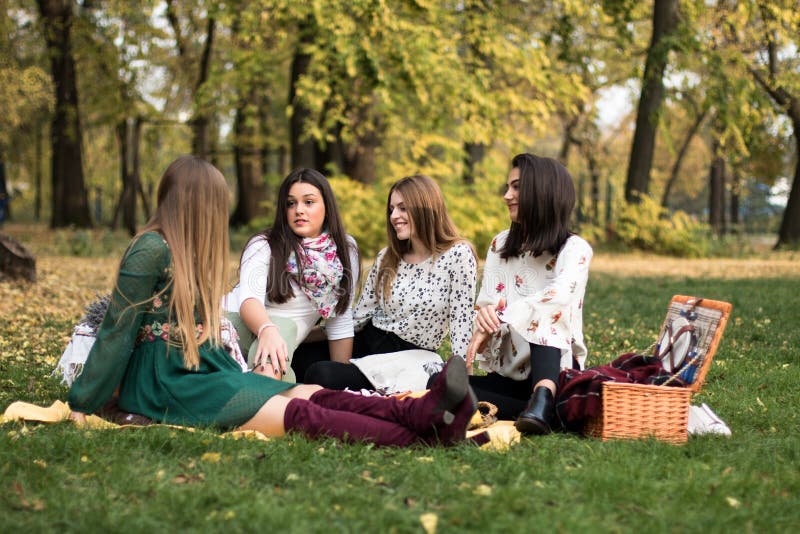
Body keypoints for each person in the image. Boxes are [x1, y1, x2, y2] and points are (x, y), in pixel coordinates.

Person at [68, 155, 477, 447]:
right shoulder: (151, 250)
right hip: (168, 384)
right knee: (305, 415)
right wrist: (83, 401)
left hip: (202, 369)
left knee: (313, 394)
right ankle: (432, 432)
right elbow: (116, 331)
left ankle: (423, 413)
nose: (221, 212)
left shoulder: (179, 250)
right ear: (193, 203)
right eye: (216, 202)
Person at [304, 174, 477, 391]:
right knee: (302, 357)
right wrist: (303, 335)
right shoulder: (387, 257)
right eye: (392, 209)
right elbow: (358, 319)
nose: (394, 216)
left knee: (321, 374)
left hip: (410, 357)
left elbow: (461, 325)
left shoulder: (458, 255)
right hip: (369, 341)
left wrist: (465, 384)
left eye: (403, 208)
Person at [465, 153, 592, 435]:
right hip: (511, 375)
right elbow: (486, 312)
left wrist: (502, 313)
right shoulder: (500, 244)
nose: (506, 195)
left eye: (517, 187)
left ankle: (544, 398)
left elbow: (558, 296)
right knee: (437, 385)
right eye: (508, 187)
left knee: (545, 311)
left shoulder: (575, 249)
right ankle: (544, 412)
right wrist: (485, 319)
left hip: (554, 371)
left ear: (543, 191)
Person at [225, 168, 359, 383]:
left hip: (281, 340)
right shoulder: (264, 245)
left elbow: (340, 318)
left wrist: (341, 380)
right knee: (280, 330)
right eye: (291, 203)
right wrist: (267, 329)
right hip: (236, 323)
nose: (299, 210)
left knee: (281, 345)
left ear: (327, 205)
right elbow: (249, 301)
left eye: (309, 202)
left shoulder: (345, 249)